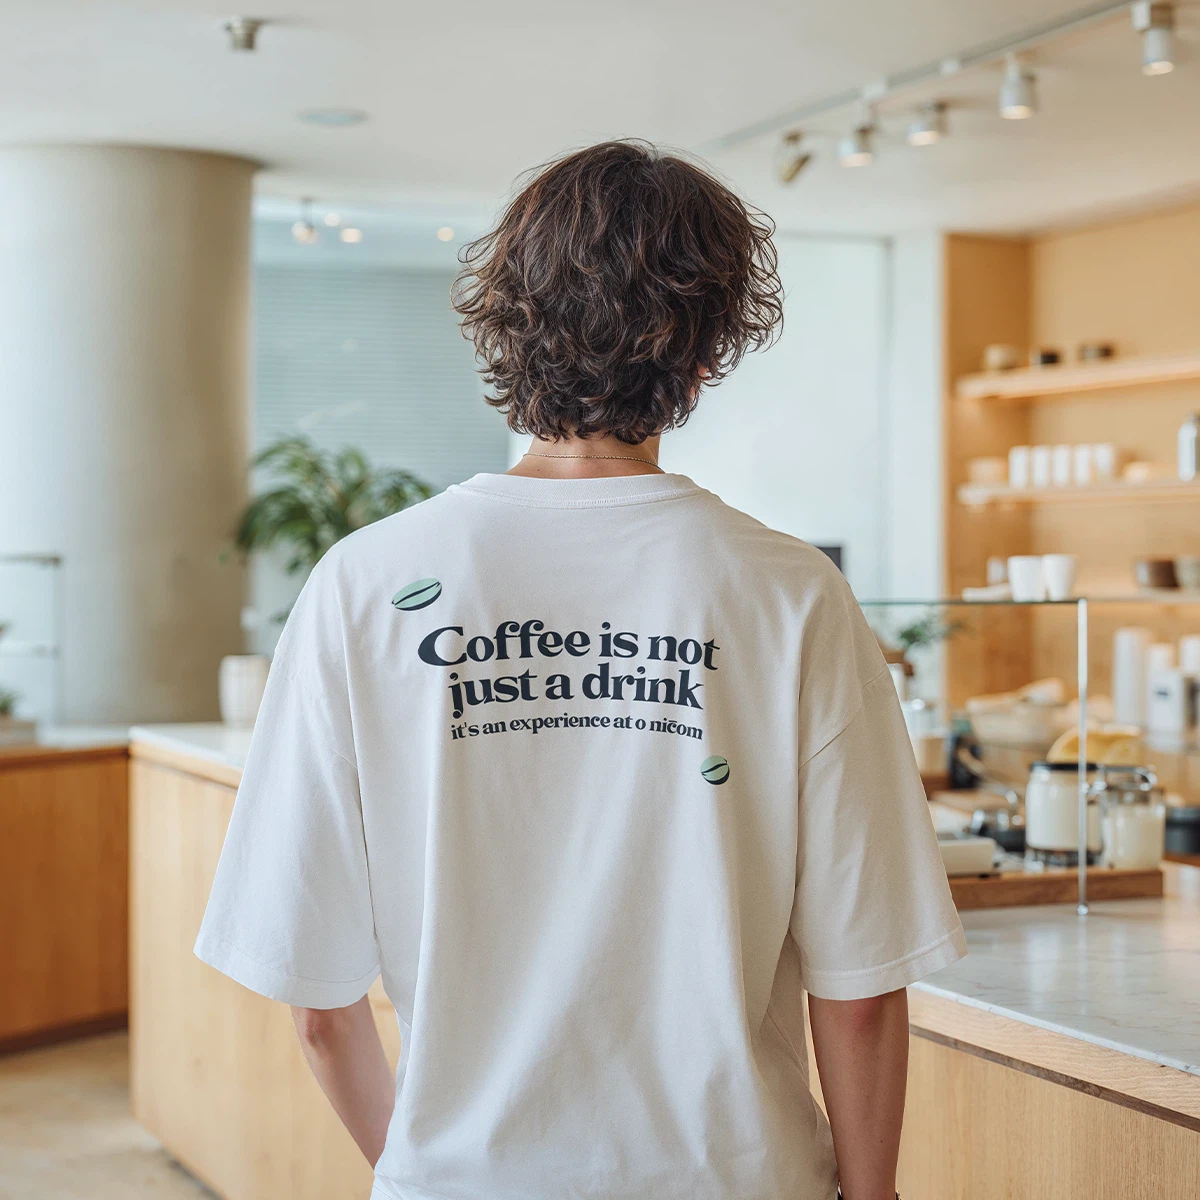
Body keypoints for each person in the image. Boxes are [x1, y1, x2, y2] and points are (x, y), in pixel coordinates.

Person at [196, 140, 965, 1200]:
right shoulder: (791, 595)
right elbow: (862, 987)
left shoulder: (361, 584)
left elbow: (322, 1013)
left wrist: (424, 1171)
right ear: (704, 352)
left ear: (510, 328)